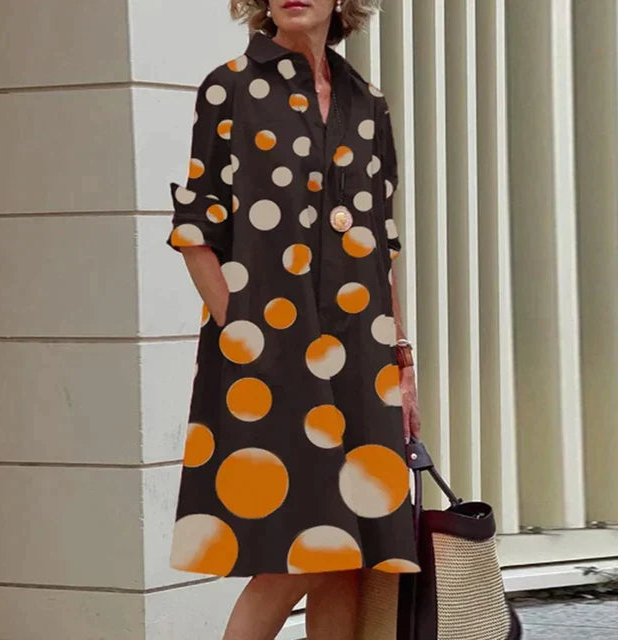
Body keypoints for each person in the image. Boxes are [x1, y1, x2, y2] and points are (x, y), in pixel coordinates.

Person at [165, 1, 422, 638]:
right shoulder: (230, 87)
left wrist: (402, 359)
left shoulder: (368, 104)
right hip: (270, 352)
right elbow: (197, 231)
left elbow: (381, 244)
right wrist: (241, 335)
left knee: (347, 558)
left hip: (363, 356)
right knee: (294, 554)